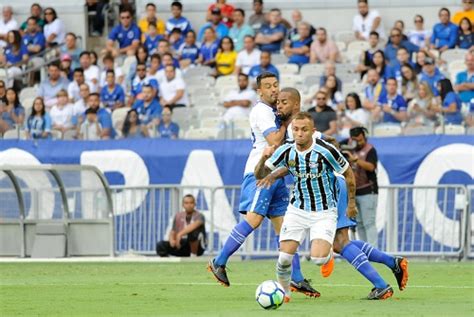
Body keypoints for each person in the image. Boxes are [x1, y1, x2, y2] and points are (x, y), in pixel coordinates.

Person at [261, 96, 408, 300]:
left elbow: (331, 145)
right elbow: (296, 163)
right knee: (340, 243)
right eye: (278, 103)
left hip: (330, 191)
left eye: (284, 102)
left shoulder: (304, 127)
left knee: (340, 242)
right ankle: (391, 264)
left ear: (296, 105)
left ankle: (381, 283)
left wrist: (349, 199)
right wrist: (274, 173)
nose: (278, 105)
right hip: (308, 200)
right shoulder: (286, 130)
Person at [208, 73, 318, 297]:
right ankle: (218, 261)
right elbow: (275, 141)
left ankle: (296, 278)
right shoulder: (261, 111)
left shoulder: (276, 111)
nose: (274, 90)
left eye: (276, 85)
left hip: (276, 173)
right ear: (259, 91)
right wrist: (289, 119)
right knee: (254, 219)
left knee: (286, 228)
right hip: (261, 171)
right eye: (268, 86)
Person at [253, 112, 356, 301]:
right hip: (297, 209)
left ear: (312, 131)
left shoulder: (326, 151)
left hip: (324, 211)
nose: (299, 133)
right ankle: (284, 294)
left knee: (317, 259)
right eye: (296, 129)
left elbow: (348, 173)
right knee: (284, 259)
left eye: (304, 130)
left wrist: (351, 203)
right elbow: (260, 174)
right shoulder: (286, 150)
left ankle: (328, 256)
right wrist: (263, 158)